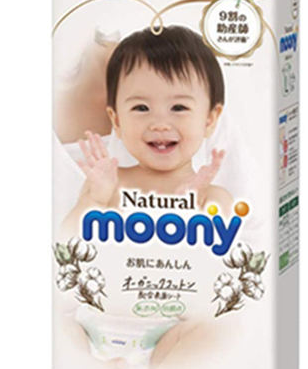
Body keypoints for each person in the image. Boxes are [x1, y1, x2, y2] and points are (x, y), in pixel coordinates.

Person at [62, 25, 232, 233]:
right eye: (141, 108)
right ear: (117, 121)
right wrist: (94, 201)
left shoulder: (213, 198)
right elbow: (66, 240)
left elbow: (225, 251)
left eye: (179, 107)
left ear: (209, 120)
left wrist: (191, 212)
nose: (159, 124)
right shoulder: (107, 185)